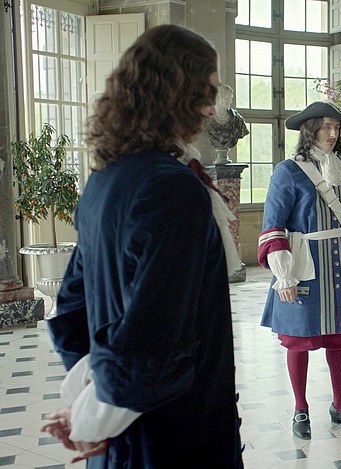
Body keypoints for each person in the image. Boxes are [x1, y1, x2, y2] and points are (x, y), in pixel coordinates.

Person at [42, 25, 244, 467]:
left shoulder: (104, 180)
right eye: (207, 92)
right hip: (172, 436)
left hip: (120, 433)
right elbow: (154, 340)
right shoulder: (174, 188)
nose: (213, 108)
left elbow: (73, 308)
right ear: (175, 93)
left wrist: (90, 411)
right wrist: (91, 419)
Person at [259, 101, 341, 440]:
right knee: (299, 339)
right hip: (303, 267)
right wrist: (284, 275)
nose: (333, 133)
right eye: (325, 127)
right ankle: (300, 408)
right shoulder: (288, 171)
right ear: (310, 130)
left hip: (338, 266)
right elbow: (273, 225)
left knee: (339, 340)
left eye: (336, 128)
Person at [206, 83, 250, 151]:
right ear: (217, 99)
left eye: (230, 98)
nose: (230, 101)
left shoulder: (238, 120)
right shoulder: (205, 120)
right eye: (226, 98)